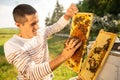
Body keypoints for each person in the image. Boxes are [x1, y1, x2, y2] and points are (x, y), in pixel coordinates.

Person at [4, 3, 82, 80]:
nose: (37, 27)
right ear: (18, 25)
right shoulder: (12, 45)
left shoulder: (41, 32)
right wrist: (63, 56)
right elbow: (31, 73)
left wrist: (67, 16)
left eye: (37, 22)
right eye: (33, 24)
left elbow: (57, 26)